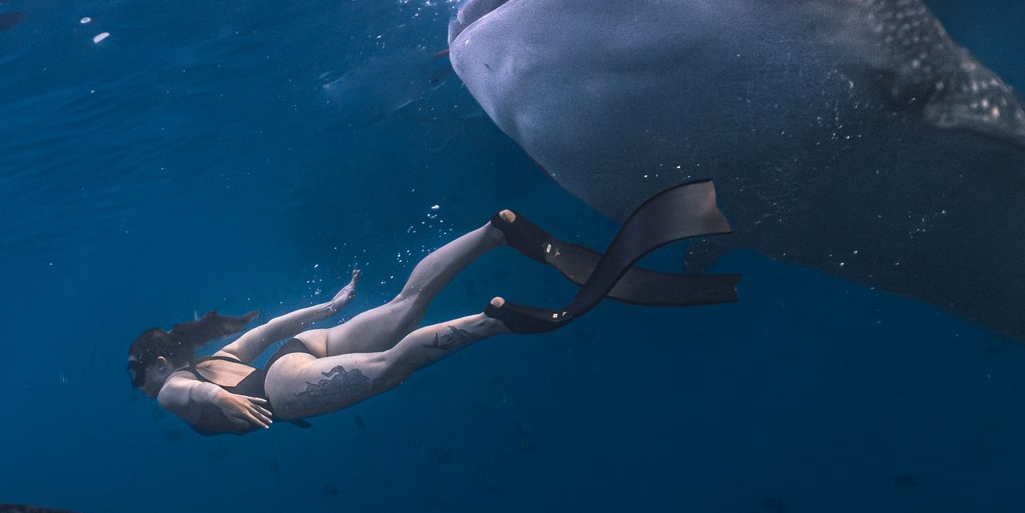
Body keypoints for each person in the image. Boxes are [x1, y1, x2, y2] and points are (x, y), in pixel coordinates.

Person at [129, 180, 742, 435]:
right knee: (406, 300)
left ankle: (490, 320)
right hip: (298, 353)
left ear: (154, 365)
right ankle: (493, 232)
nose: (143, 384)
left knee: (397, 363)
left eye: (141, 375)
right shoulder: (214, 356)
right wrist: (328, 307)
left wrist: (225, 400)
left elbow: (190, 397)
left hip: (278, 390)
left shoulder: (174, 386)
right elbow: (267, 329)